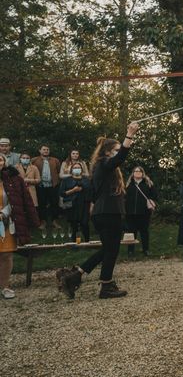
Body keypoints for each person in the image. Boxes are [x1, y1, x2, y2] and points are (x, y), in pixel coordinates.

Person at [58, 122, 140, 299]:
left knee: (108, 250)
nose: (119, 152)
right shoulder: (104, 164)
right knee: (111, 250)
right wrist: (129, 135)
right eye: (116, 150)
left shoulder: (102, 168)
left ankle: (77, 276)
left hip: (104, 214)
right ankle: (103, 286)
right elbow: (120, 159)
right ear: (108, 152)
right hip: (108, 214)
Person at [0, 153, 39, 299]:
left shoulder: (14, 179)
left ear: (4, 162)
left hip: (6, 222)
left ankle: (4, 286)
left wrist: (4, 213)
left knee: (6, 255)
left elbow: (19, 200)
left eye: (0, 159)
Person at [125, 166, 158, 257]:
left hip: (144, 212)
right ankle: (130, 251)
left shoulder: (148, 183)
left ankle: (146, 249)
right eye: (135, 171)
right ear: (133, 173)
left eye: (139, 171)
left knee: (144, 232)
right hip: (130, 213)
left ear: (143, 173)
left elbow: (154, 195)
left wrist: (151, 201)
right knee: (131, 233)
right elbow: (124, 197)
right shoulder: (128, 184)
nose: (137, 172)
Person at [59, 163, 92, 242]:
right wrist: (73, 190)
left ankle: (87, 241)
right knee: (74, 225)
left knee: (84, 223)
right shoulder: (66, 180)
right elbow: (62, 193)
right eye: (75, 167)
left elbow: (91, 192)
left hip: (84, 204)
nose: (77, 169)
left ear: (81, 169)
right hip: (71, 204)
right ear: (71, 170)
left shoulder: (86, 180)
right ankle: (76, 242)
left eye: (78, 167)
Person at [31, 145, 61, 230]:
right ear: (40, 150)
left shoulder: (55, 160)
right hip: (40, 186)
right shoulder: (34, 160)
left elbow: (58, 172)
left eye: (47, 149)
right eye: (44, 149)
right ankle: (43, 221)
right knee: (41, 204)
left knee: (54, 204)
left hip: (53, 185)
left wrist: (57, 181)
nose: (46, 151)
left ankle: (54, 221)